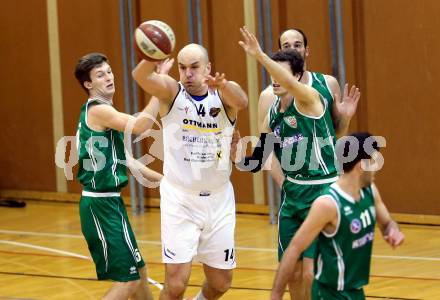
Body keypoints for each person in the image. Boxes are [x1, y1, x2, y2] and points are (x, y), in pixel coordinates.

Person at [238, 27, 360, 300]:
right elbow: (260, 159)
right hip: (293, 194)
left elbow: (334, 132)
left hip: (323, 189)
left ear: (295, 75)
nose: (276, 79)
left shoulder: (310, 97)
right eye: (273, 73)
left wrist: (258, 54)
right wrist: (237, 154)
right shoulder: (271, 109)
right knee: (291, 270)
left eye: (282, 73)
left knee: (315, 271)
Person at [132, 43, 248, 300]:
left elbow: (242, 100)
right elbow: (140, 76)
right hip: (180, 199)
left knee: (220, 283)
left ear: (208, 68)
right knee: (175, 285)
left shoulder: (223, 97)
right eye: (183, 68)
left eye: (194, 67)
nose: (188, 74)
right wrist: (152, 54)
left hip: (218, 199)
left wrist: (224, 86)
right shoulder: (172, 92)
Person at [75, 52, 169, 299]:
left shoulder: (105, 112)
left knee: (140, 272)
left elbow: (128, 162)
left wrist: (166, 182)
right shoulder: (98, 111)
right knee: (128, 282)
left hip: (110, 203)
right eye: (99, 75)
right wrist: (159, 86)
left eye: (108, 71)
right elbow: (140, 126)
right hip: (99, 204)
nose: (108, 77)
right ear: (88, 84)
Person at [271, 132, 404, 300]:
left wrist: (393, 231)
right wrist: (275, 295)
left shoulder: (370, 191)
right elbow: (294, 249)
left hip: (356, 292)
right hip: (330, 294)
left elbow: (386, 223)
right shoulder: (328, 204)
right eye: (373, 162)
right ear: (361, 165)